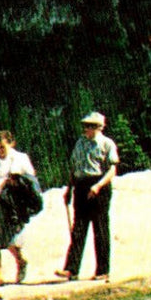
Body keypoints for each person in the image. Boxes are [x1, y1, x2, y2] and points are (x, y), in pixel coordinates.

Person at [55, 111, 118, 282]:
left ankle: (103, 270)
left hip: (99, 184)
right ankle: (71, 269)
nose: (86, 129)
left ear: (99, 127)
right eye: (85, 125)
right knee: (78, 229)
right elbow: (74, 168)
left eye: (90, 126)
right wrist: (69, 189)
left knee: (100, 229)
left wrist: (98, 186)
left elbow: (112, 169)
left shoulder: (107, 144)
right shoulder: (80, 143)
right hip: (81, 186)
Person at [0, 129, 36, 286]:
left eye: (2, 147)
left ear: (11, 143)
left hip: (13, 203)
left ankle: (21, 261)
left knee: (11, 239)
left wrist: (16, 182)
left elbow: (30, 179)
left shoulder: (20, 158)